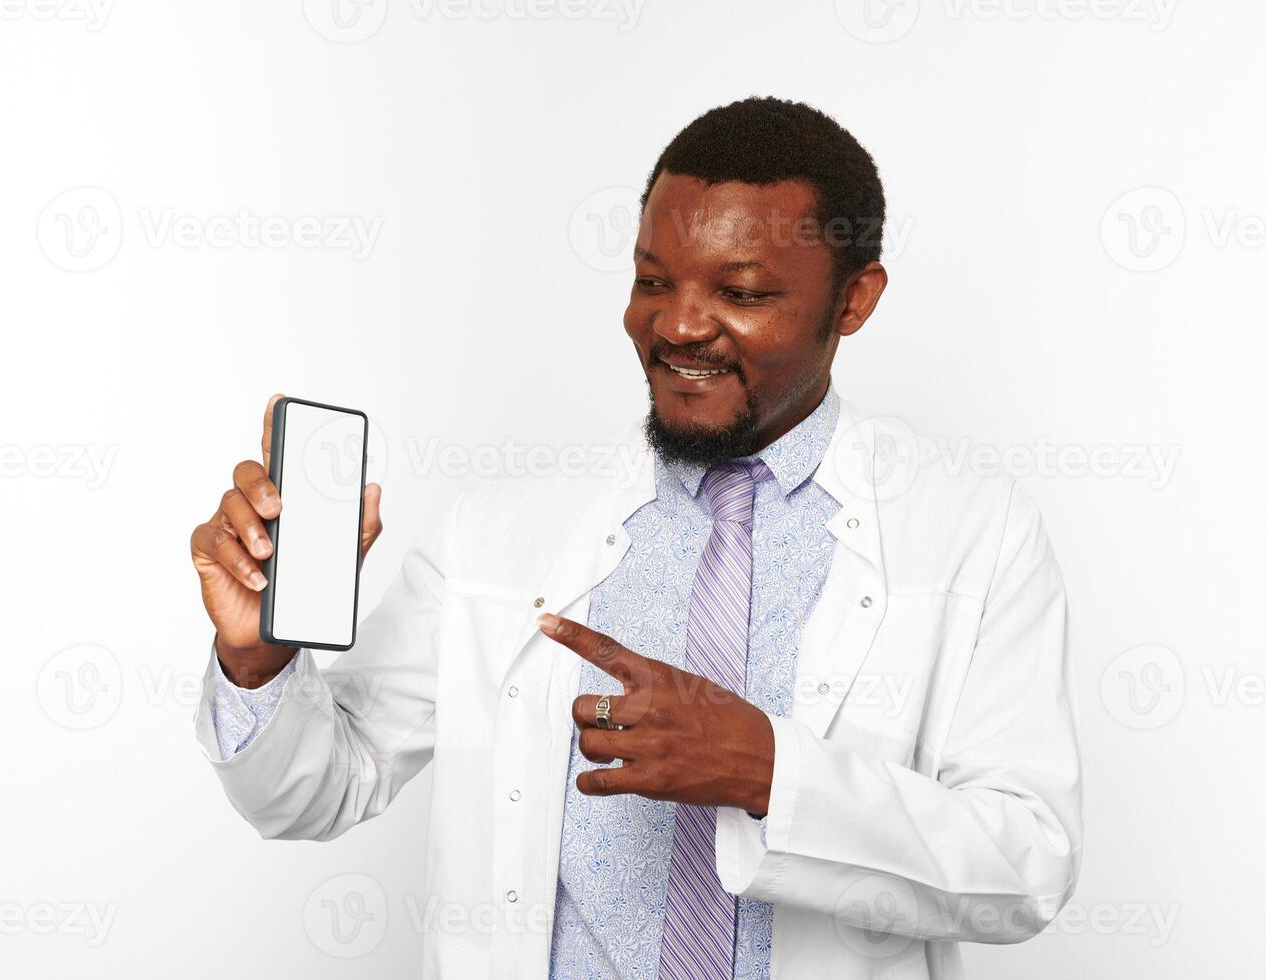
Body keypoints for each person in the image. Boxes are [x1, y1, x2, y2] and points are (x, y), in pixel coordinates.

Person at [188, 96, 1082, 980]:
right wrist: (259, 666)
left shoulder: (974, 533)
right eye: (653, 281)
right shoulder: (498, 537)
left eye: (740, 293)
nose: (679, 325)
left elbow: (1028, 867)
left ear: (854, 300)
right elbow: (317, 790)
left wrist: (770, 771)